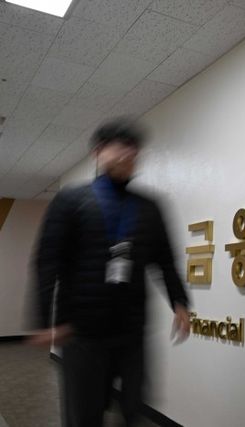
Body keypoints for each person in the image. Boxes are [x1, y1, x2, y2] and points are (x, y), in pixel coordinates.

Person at [29, 117, 191, 426]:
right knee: (84, 416)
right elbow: (47, 261)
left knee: (133, 410)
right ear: (98, 152)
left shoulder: (149, 207)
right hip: (82, 332)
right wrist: (45, 320)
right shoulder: (70, 201)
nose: (128, 153)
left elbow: (165, 260)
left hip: (131, 331)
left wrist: (180, 302)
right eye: (119, 146)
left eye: (133, 148)